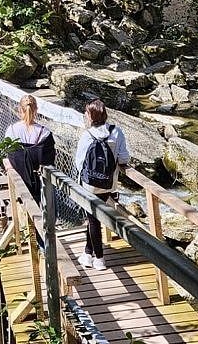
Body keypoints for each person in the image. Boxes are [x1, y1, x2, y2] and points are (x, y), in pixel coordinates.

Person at [74, 99, 129, 270]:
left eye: (86, 112)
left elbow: (79, 162)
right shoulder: (116, 132)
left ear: (90, 115)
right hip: (109, 184)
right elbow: (124, 158)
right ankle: (88, 252)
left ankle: (98, 259)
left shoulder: (87, 135)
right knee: (94, 218)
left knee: (93, 219)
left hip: (89, 184)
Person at [4, 95, 56, 208]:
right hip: (40, 180)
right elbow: (49, 159)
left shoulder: (11, 130)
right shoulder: (44, 133)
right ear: (36, 110)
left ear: (19, 109)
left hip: (20, 178)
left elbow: (11, 154)